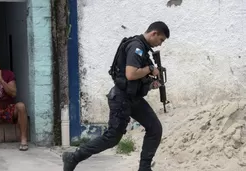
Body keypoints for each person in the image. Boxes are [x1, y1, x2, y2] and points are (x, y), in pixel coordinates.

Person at [62, 21, 170, 171]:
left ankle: (144, 168)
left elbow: (137, 79)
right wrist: (150, 68)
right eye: (161, 40)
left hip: (133, 98)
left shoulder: (144, 49)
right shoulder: (137, 47)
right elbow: (131, 74)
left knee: (155, 128)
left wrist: (152, 84)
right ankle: (73, 157)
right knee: (112, 138)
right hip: (122, 99)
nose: (160, 44)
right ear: (154, 33)